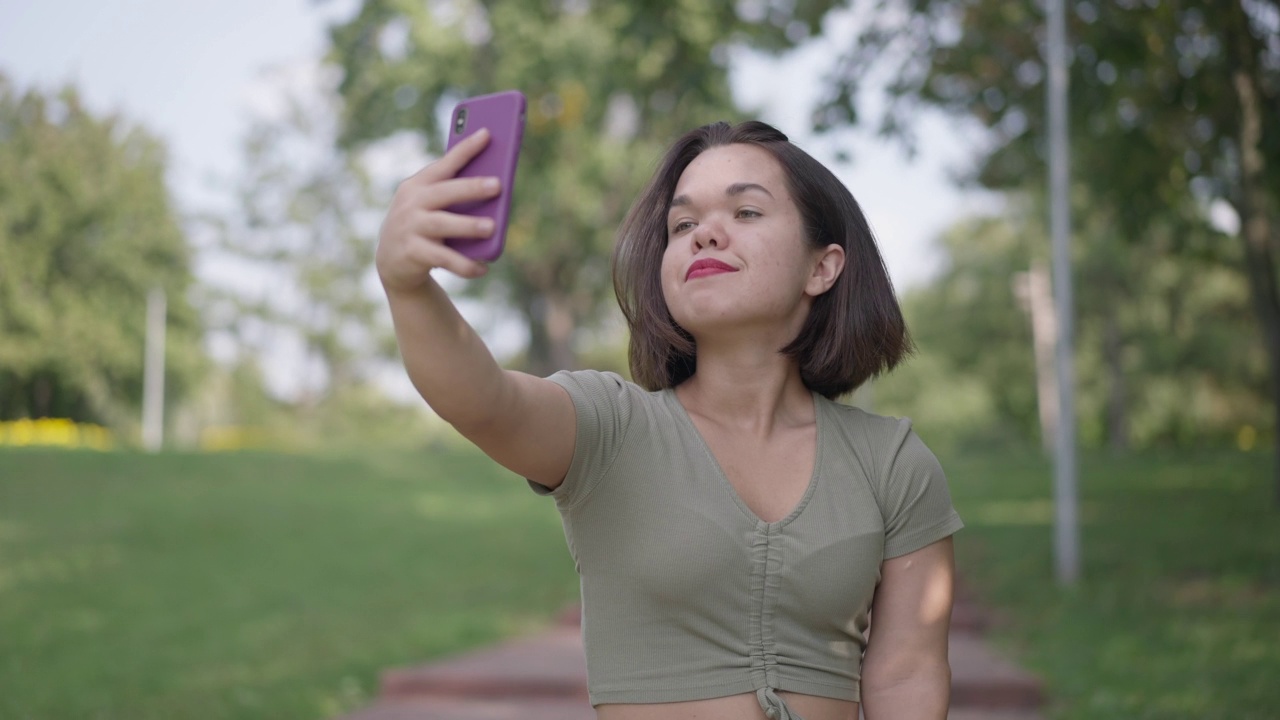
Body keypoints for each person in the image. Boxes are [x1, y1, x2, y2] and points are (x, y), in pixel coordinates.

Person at [376, 119, 963, 720]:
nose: (705, 234)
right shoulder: (610, 428)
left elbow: (907, 673)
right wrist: (409, 287)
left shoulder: (893, 462)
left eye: (746, 213)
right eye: (682, 225)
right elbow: (485, 401)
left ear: (824, 268)